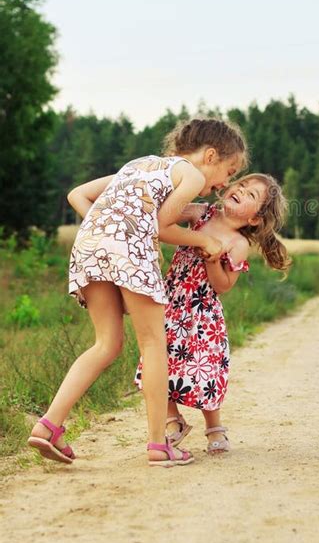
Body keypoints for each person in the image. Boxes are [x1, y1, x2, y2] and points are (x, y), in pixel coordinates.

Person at [28, 118, 247, 467]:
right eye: (229, 170)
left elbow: (78, 195)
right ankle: (159, 444)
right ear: (210, 155)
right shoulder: (189, 174)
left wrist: (106, 228)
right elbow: (163, 225)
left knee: (106, 344)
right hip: (129, 251)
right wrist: (205, 239)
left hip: (90, 247)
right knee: (152, 343)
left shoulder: (138, 165)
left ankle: (48, 425)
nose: (225, 183)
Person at [134, 173, 291, 454]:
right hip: (172, 303)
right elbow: (166, 216)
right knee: (158, 360)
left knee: (205, 369)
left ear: (254, 219)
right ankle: (173, 420)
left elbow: (223, 285)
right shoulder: (202, 213)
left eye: (251, 195)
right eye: (241, 185)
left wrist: (214, 260)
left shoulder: (237, 243)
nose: (241, 191)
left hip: (203, 313)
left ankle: (214, 427)